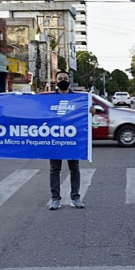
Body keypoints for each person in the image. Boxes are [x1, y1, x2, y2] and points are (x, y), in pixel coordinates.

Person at [48, 70, 87, 210]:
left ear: (69, 81)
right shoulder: (48, 100)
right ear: (56, 81)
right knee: (54, 170)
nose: (62, 80)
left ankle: (75, 198)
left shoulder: (78, 99)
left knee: (74, 169)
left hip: (72, 139)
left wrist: (92, 110)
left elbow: (87, 112)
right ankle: (55, 199)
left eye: (65, 78)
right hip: (55, 139)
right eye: (60, 78)